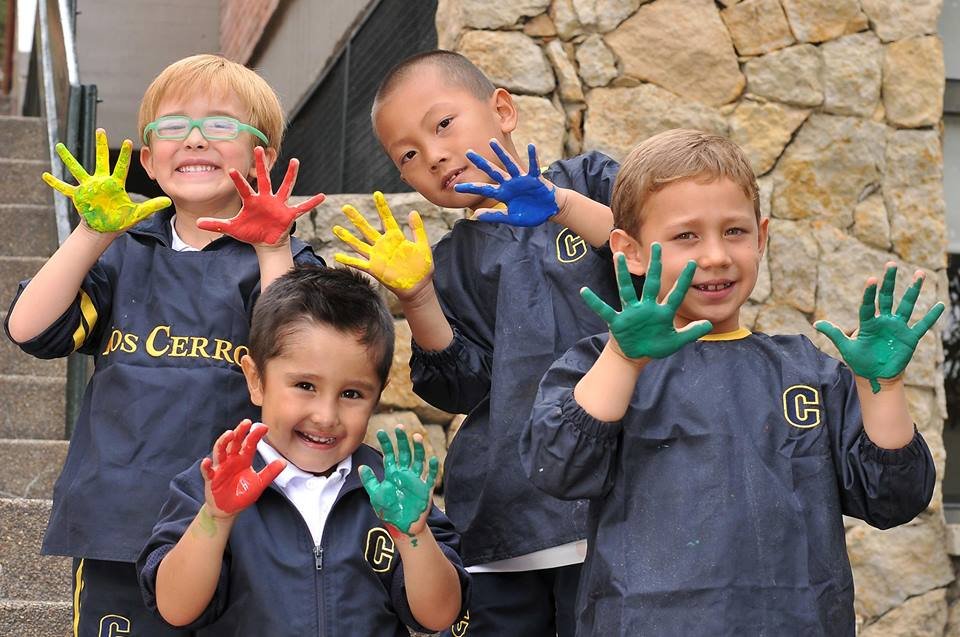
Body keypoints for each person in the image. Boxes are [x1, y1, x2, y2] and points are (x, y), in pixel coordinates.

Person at [520, 129, 940, 636]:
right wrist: (623, 358)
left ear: (762, 237)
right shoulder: (601, 365)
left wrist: (883, 389)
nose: (716, 256)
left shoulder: (806, 371)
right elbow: (556, 466)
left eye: (735, 232)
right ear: (628, 251)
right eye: (686, 236)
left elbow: (894, 499)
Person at [4, 54, 324, 635]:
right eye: (173, 126)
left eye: (221, 124)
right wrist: (93, 233)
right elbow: (27, 329)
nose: (195, 138)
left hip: (245, 518)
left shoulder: (285, 262)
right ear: (148, 160)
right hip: (119, 521)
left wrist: (273, 248)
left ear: (264, 158)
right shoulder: (123, 252)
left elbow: (302, 361)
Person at [333, 49, 620, 636]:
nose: (434, 155)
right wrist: (418, 298)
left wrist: (557, 203)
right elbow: (463, 386)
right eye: (408, 155)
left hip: (616, 498)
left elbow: (652, 254)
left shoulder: (590, 183)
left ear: (503, 110)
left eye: (443, 125)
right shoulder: (451, 264)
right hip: (507, 516)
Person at [137, 265, 469, 635]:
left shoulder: (390, 492)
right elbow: (174, 608)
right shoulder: (212, 490)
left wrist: (414, 536)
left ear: (378, 396)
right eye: (305, 386)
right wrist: (215, 519)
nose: (326, 416)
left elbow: (439, 616)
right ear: (256, 379)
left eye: (351, 394)